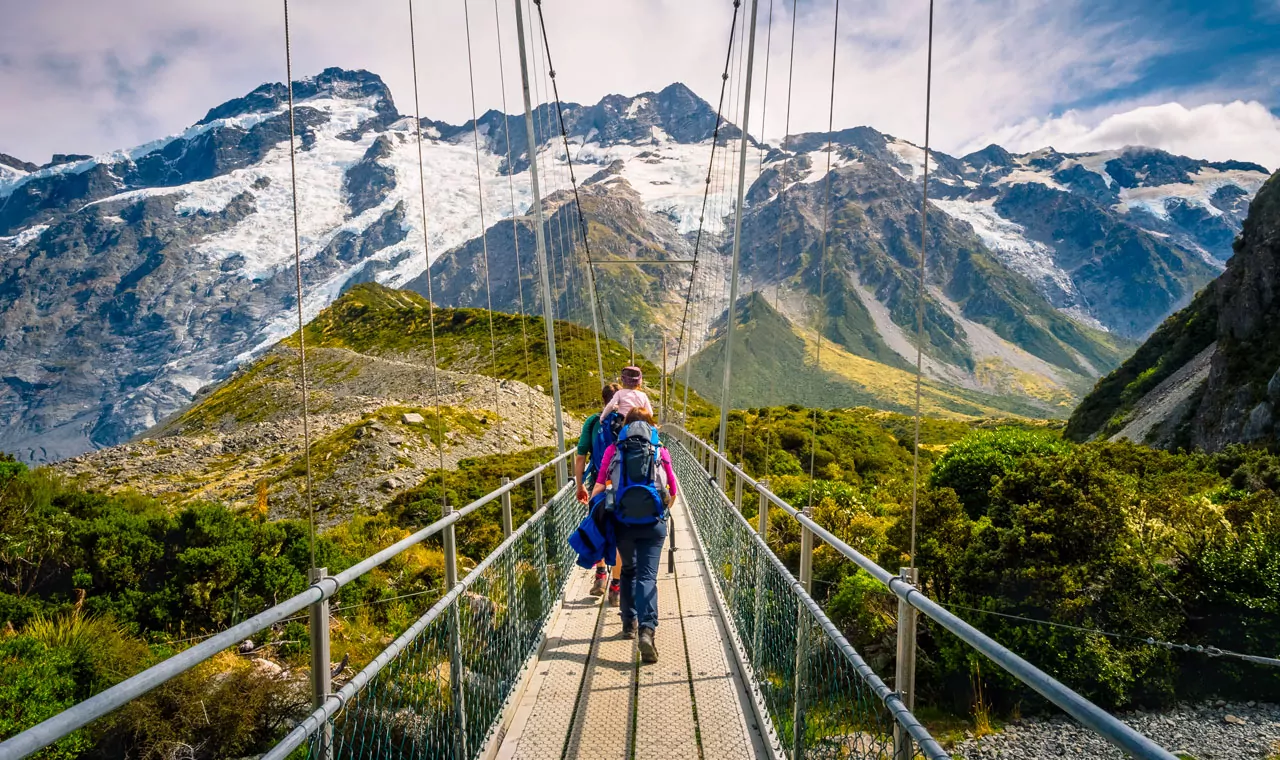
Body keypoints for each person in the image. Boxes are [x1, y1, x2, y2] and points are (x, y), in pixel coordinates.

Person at [590, 407, 677, 664]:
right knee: (647, 575)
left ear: (625, 427)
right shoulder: (660, 451)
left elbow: (598, 489)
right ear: (651, 427)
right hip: (653, 524)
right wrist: (661, 512)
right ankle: (647, 630)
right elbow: (673, 491)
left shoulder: (613, 450)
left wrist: (599, 509)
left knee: (628, 570)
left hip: (623, 523)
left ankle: (628, 624)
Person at [574, 383, 623, 601]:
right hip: (622, 487)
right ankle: (616, 586)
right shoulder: (628, 421)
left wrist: (579, 485)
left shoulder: (593, 422)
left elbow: (580, 455)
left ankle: (601, 575)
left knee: (599, 527)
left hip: (600, 485)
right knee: (621, 533)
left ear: (602, 399)